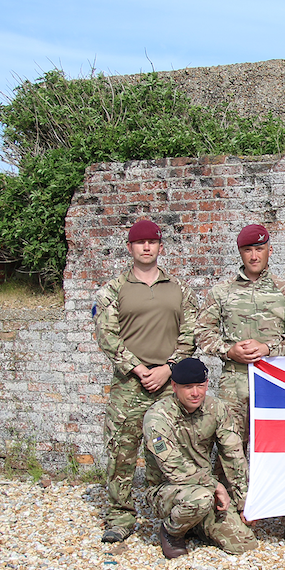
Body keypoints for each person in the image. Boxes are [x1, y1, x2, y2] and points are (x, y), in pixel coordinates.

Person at [194, 224, 285, 543]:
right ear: (241, 254)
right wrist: (227, 349)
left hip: (277, 383)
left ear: (269, 250)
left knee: (284, 449)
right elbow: (201, 333)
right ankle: (229, 517)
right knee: (230, 450)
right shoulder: (222, 292)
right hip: (234, 384)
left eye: (259, 249)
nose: (254, 255)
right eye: (248, 250)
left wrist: (269, 348)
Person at [93, 219, 197, 543]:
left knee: (165, 453)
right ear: (130, 248)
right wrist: (137, 368)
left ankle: (167, 518)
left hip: (168, 384)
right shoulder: (114, 289)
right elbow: (106, 334)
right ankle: (120, 517)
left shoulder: (178, 288)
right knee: (121, 451)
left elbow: (191, 331)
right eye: (140, 243)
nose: (147, 247)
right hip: (129, 385)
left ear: (160, 247)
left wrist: (169, 367)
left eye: (152, 242)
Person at [143, 357, 258, 559]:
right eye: (188, 387)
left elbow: (233, 455)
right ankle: (172, 532)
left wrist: (244, 501)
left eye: (200, 386)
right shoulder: (157, 417)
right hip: (167, 490)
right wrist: (216, 486)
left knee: (244, 543)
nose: (195, 393)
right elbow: (174, 469)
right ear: (174, 386)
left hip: (205, 490)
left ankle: (197, 525)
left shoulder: (217, 409)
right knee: (200, 498)